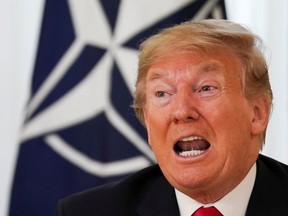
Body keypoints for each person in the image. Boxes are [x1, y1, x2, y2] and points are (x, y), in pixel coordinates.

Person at [55, 19, 288, 216]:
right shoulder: (87, 212)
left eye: (206, 88)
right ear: (147, 120)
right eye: (162, 93)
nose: (181, 111)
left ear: (257, 113)